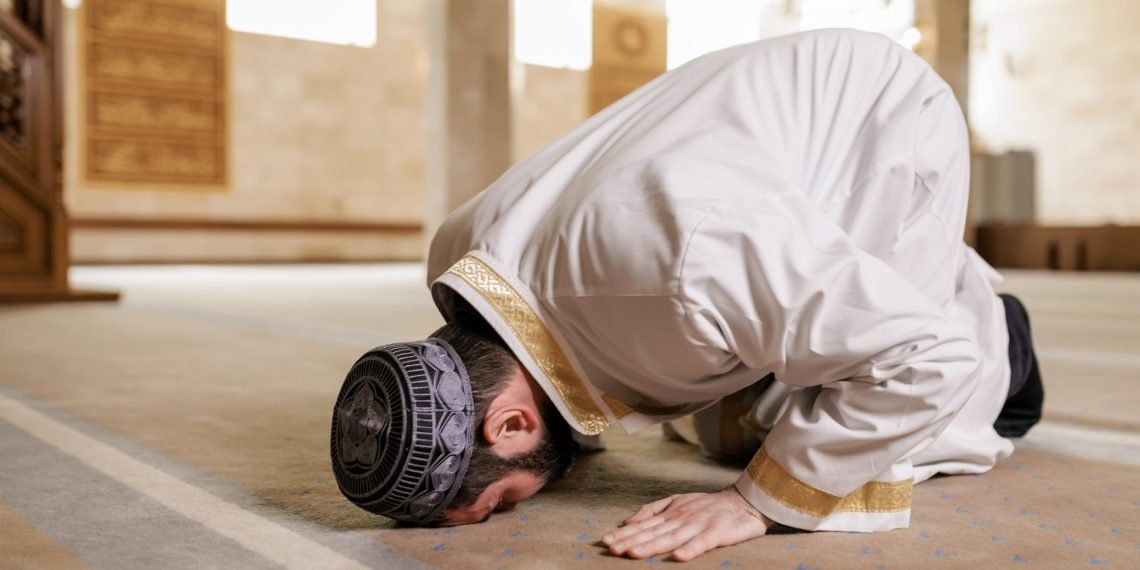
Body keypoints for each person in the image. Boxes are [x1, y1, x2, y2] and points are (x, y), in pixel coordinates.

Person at [329, 28, 1044, 562]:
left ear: (511, 425)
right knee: (718, 416)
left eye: (499, 502)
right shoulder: (456, 255)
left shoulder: (689, 269)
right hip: (751, 138)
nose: (513, 507)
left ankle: (1002, 339)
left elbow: (928, 359)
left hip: (874, 123)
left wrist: (752, 504)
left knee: (802, 432)